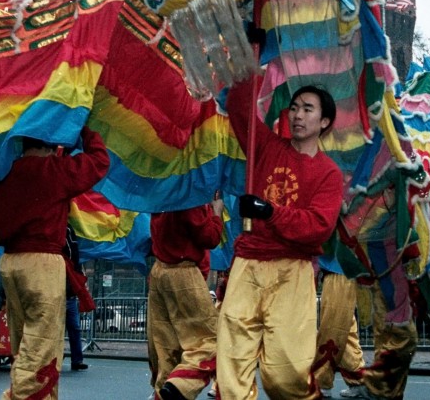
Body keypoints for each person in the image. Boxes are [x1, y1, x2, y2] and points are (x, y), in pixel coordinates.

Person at [217, 79, 344, 399]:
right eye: (294, 107)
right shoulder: (267, 147)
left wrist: (270, 211)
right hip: (247, 263)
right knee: (232, 359)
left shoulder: (329, 173)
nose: (298, 114)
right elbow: (239, 108)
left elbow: (318, 226)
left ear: (325, 121)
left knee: (286, 373)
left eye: (308, 109)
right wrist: (251, 67)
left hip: (292, 272)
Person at [0, 127, 110, 400]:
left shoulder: (4, 174)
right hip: (42, 264)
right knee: (42, 347)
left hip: (10, 262)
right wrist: (84, 129)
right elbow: (99, 161)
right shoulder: (53, 170)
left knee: (24, 346)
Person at [147, 199, 224, 400]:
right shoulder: (188, 196)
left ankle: (163, 391)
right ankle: (180, 385)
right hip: (183, 272)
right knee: (214, 339)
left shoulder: (161, 192)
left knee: (166, 346)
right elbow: (210, 237)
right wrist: (216, 213)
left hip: (159, 271)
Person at [311, 269, 366, 399]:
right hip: (340, 275)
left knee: (332, 329)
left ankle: (321, 383)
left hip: (337, 274)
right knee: (345, 331)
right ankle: (359, 381)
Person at [63, 225, 88, 371]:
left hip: (67, 296)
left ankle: (76, 360)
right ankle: (76, 360)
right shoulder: (69, 262)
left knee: (74, 328)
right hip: (66, 296)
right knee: (73, 328)